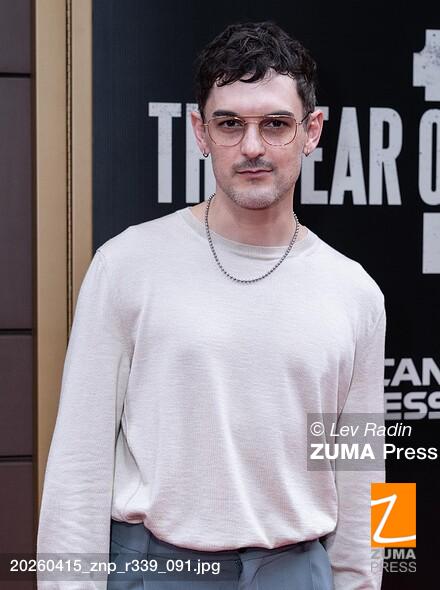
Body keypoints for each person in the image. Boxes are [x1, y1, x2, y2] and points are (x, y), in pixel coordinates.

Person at [37, 21, 386, 590]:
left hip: (298, 572)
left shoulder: (357, 293)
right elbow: (78, 463)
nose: (252, 147)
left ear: (312, 130)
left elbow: (366, 472)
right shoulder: (126, 264)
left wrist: (364, 581)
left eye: (276, 124)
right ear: (200, 132)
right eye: (230, 124)